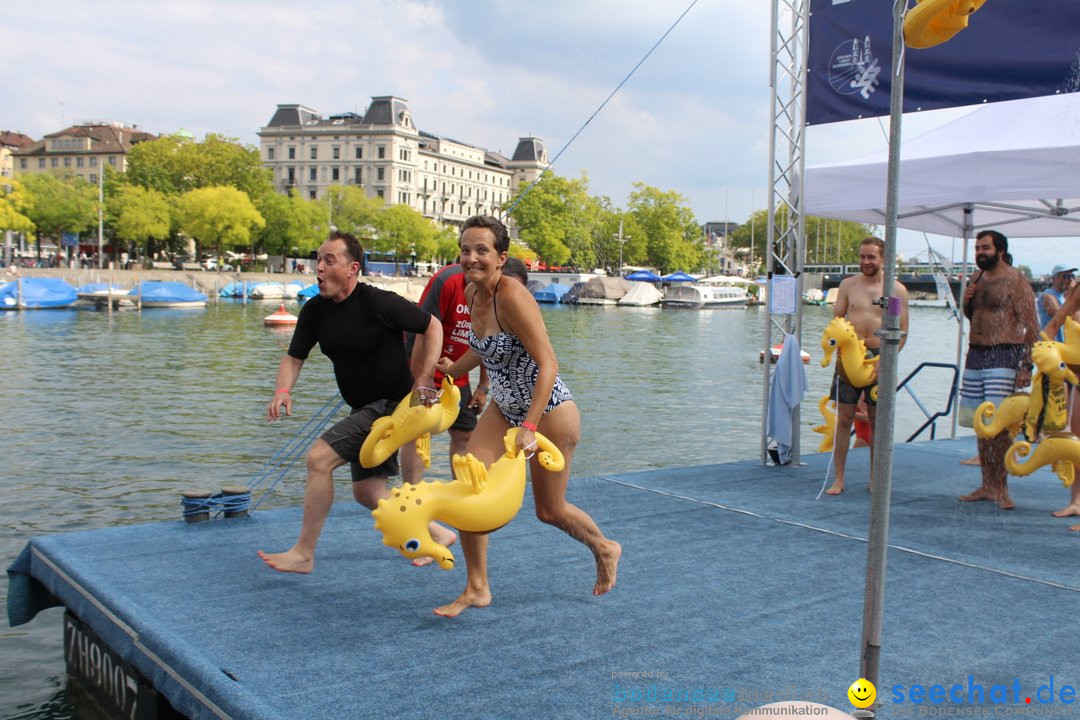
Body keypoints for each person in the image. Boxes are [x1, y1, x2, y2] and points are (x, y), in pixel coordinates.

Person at [431, 215, 621, 617]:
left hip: (548, 410)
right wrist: (452, 370)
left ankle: (604, 548)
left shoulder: (513, 295)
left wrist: (530, 426)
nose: (471, 257)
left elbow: (548, 363)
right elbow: (484, 348)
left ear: (501, 257)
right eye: (466, 249)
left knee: (549, 511)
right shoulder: (469, 292)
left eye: (482, 250)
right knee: (470, 486)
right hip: (503, 406)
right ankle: (476, 588)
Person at [257, 230, 457, 573]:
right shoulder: (315, 311)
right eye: (317, 260)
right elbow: (294, 358)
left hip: (392, 406)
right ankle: (434, 531)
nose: (318, 267)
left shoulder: (378, 302)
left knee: (319, 458)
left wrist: (424, 378)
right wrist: (282, 390)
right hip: (364, 409)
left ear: (352, 268)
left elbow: (433, 325)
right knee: (367, 491)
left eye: (328, 260)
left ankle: (304, 553)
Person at [958, 230, 1039, 510]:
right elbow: (973, 317)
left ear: (1000, 251)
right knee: (981, 424)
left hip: (1004, 353)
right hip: (976, 353)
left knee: (1000, 425)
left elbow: (1032, 324)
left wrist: (1026, 365)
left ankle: (1002, 488)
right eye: (977, 248)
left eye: (985, 248)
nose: (980, 252)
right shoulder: (976, 278)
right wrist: (967, 301)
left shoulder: (1016, 280)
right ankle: (987, 485)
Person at [825, 237, 909, 495]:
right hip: (849, 358)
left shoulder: (895, 291)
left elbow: (902, 331)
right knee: (844, 419)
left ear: (883, 258)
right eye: (862, 256)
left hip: (878, 357)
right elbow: (837, 321)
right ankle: (838, 478)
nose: (866, 262)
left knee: (876, 420)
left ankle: (876, 477)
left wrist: (886, 360)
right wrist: (836, 350)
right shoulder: (848, 285)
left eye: (871, 257)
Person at [1037, 264, 1076, 342]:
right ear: (1054, 278)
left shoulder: (1065, 297)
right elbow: (1060, 318)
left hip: (1064, 346)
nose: (1069, 279)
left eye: (1071, 276)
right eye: (1065, 276)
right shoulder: (1047, 295)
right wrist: (1071, 295)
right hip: (1050, 346)